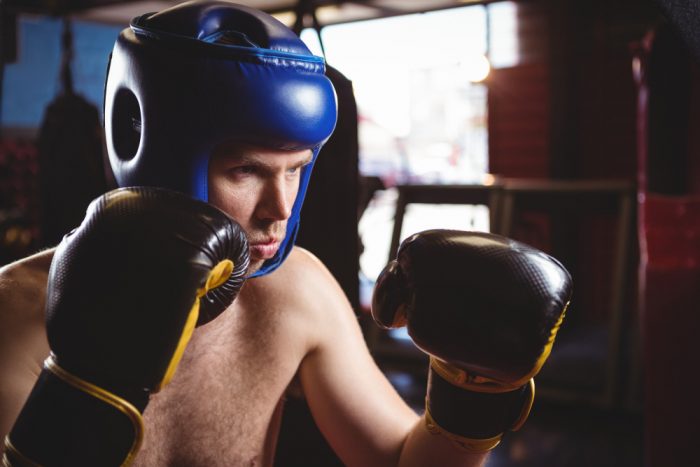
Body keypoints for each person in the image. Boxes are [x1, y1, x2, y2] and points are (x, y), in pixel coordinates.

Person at [0, 2, 573, 466]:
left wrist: (470, 398)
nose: (280, 208)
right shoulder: (15, 315)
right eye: (246, 170)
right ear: (150, 149)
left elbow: (403, 460)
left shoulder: (296, 293)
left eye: (296, 169)